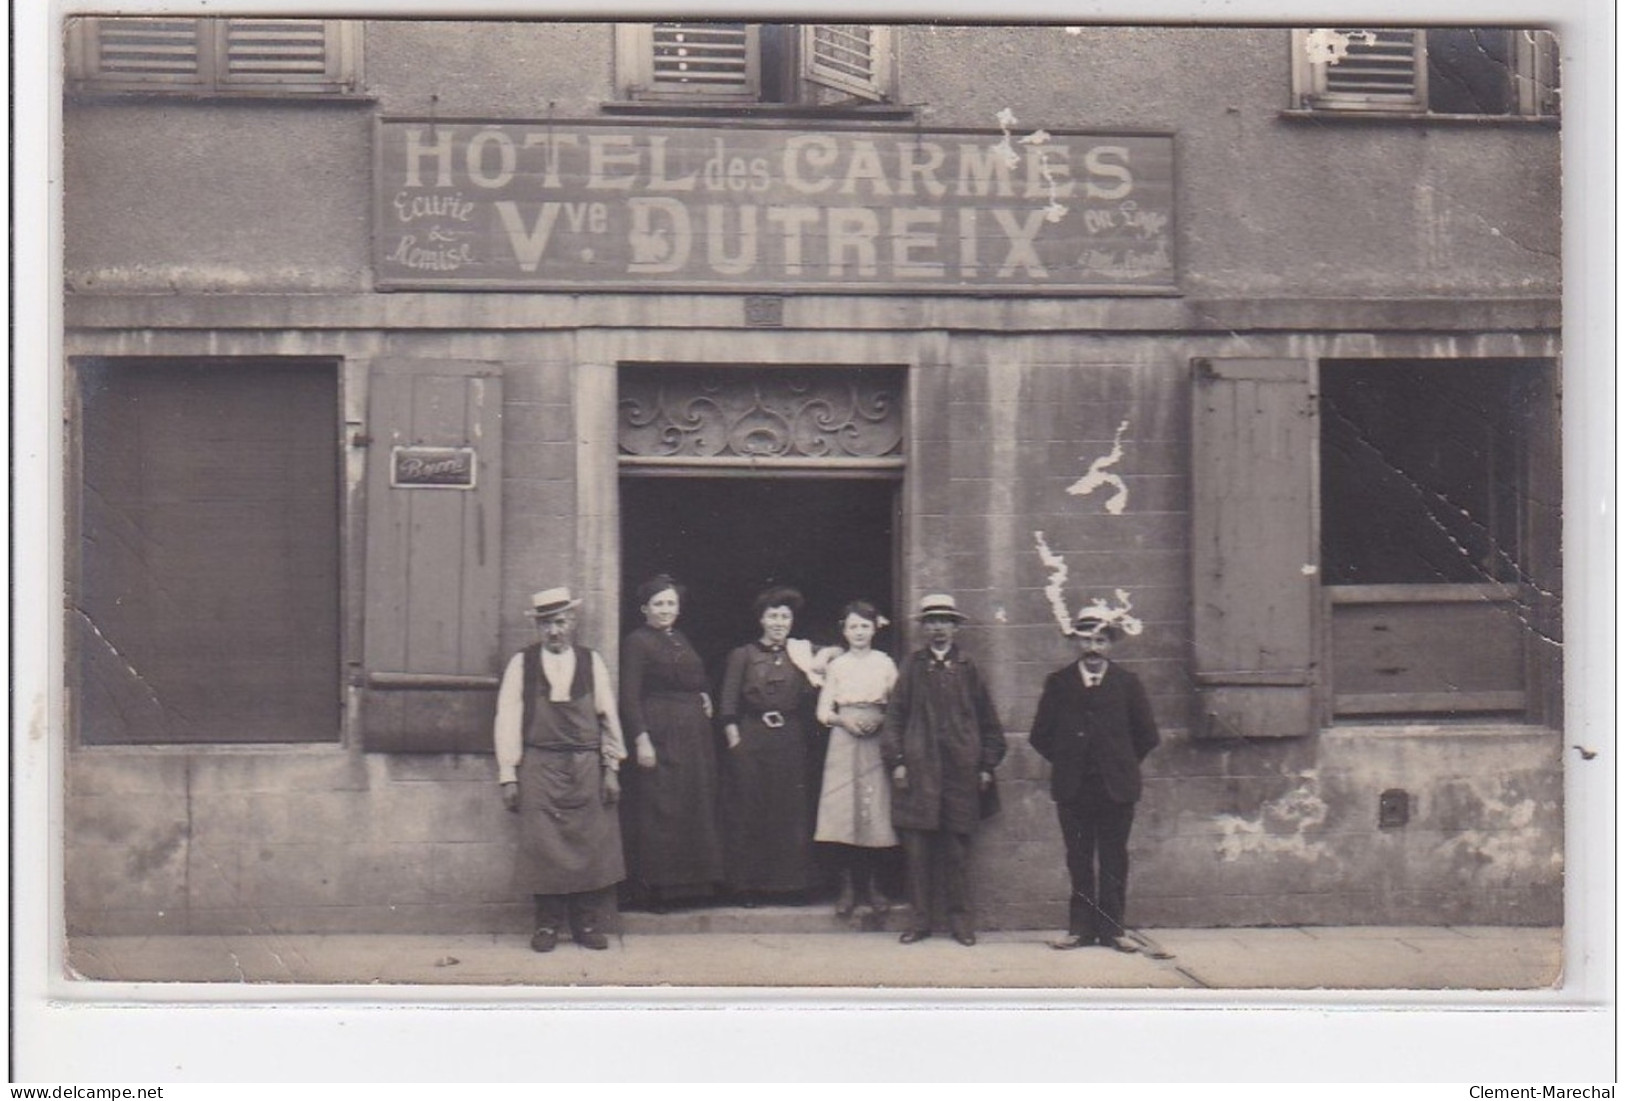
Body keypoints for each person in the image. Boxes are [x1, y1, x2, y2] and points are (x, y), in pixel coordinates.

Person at [493, 587, 627, 952]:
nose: (555, 631)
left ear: (573, 623)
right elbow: (507, 720)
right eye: (548, 624)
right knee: (543, 847)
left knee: (590, 844)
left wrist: (611, 767)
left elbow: (608, 718)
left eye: (562, 622)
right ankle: (547, 925)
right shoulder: (522, 664)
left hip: (586, 765)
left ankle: (586, 923)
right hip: (540, 764)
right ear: (538, 627)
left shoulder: (591, 662)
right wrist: (509, 774)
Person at [1029, 610, 1161, 952]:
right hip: (1073, 789)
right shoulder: (1058, 683)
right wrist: (1070, 761)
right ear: (1076, 642)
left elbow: (1147, 735)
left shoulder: (1128, 683)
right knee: (1079, 858)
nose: (1092, 647)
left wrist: (1120, 764)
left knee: (1114, 857)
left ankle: (1113, 930)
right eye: (1086, 640)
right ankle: (1080, 930)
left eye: (1100, 640)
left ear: (1110, 644)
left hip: (1116, 789)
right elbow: (1040, 735)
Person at [880, 593, 1007, 947]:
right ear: (924, 628)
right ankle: (919, 922)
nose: (939, 628)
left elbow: (989, 724)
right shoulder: (912, 667)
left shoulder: (969, 667)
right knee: (917, 852)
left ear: (955, 627)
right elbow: (894, 718)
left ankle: (960, 923)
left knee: (957, 852)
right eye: (932, 621)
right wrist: (898, 762)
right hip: (919, 773)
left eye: (945, 621)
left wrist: (985, 765)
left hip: (960, 774)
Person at [618, 574, 723, 910]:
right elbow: (630, 696)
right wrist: (641, 738)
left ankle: (691, 887)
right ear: (644, 609)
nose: (666, 610)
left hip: (693, 736)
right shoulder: (637, 641)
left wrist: (704, 692)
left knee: (693, 804)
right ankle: (658, 889)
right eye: (659, 604)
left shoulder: (680, 637)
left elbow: (694, 675)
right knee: (662, 808)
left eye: (671, 603)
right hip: (660, 731)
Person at [718, 586, 822, 905]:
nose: (779, 622)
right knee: (750, 809)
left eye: (785, 616)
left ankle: (789, 886)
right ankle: (748, 886)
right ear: (761, 619)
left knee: (789, 810)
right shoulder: (743, 654)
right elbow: (728, 702)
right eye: (773, 616)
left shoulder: (801, 654)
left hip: (789, 736)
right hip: (752, 734)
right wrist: (735, 740)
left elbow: (837, 656)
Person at [814, 600, 901, 918]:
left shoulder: (885, 663)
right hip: (844, 740)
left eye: (865, 626)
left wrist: (882, 719)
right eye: (853, 626)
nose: (859, 632)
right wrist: (844, 721)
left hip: (876, 740)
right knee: (843, 813)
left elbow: (898, 703)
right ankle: (847, 888)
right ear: (844, 630)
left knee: (874, 812)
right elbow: (823, 711)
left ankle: (875, 887)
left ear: (874, 629)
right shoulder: (837, 666)